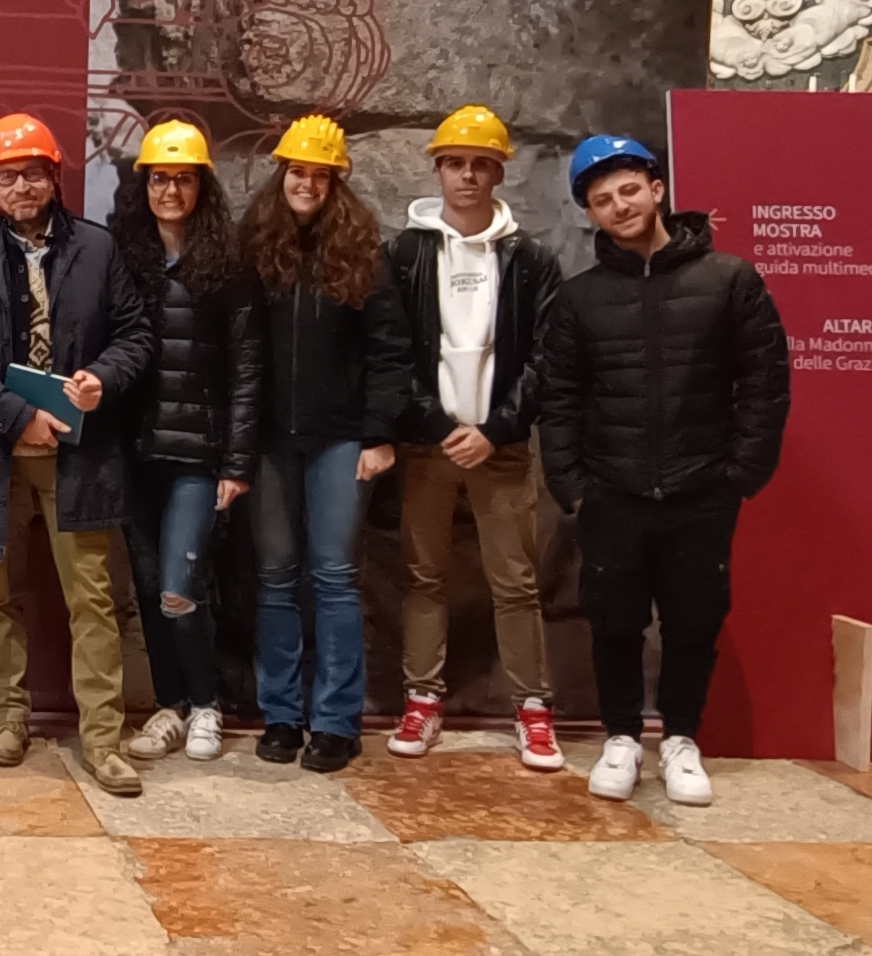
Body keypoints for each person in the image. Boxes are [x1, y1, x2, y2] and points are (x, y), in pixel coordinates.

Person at [538, 134, 789, 807]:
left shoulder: (729, 279)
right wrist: (572, 483)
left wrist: (742, 472)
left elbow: (764, 382)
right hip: (612, 490)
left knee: (692, 620)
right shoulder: (579, 299)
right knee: (613, 619)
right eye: (601, 199)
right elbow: (558, 398)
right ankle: (621, 736)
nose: (619, 206)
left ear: (657, 189)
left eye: (628, 189)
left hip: (701, 489)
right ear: (589, 213)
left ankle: (681, 738)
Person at [0, 113, 154, 796]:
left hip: (80, 462)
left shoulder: (98, 251)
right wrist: (17, 416)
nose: (21, 185)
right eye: (7, 175)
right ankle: (10, 720)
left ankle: (104, 740)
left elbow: (136, 336)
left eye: (32, 171)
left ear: (55, 177)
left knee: (91, 600)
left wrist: (102, 380)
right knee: (1, 597)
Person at [385, 105, 566, 774]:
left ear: (498, 172)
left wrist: (494, 429)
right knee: (422, 575)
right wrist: (435, 425)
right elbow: (391, 350)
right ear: (437, 168)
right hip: (429, 448)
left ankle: (533, 708)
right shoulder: (404, 253)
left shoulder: (530, 259)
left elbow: (548, 358)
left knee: (516, 581)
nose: (468, 174)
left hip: (504, 447)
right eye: (456, 162)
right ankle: (422, 698)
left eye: (480, 163)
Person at [242, 114, 413, 775]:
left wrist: (379, 434)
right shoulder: (256, 248)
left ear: (336, 181)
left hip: (343, 441)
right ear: (281, 174)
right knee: (276, 580)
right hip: (268, 441)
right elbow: (241, 349)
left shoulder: (364, 254)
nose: (306, 183)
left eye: (319, 174)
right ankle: (282, 716)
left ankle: (336, 722)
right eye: (297, 171)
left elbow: (390, 351)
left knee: (337, 579)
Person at [107, 121, 260, 765]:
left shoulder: (230, 264)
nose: (171, 190)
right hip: (136, 453)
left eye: (184, 178)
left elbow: (249, 369)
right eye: (161, 179)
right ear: (144, 184)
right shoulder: (120, 258)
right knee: (146, 587)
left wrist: (238, 460)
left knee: (179, 586)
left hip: (200, 454)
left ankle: (206, 707)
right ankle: (169, 707)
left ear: (203, 186)